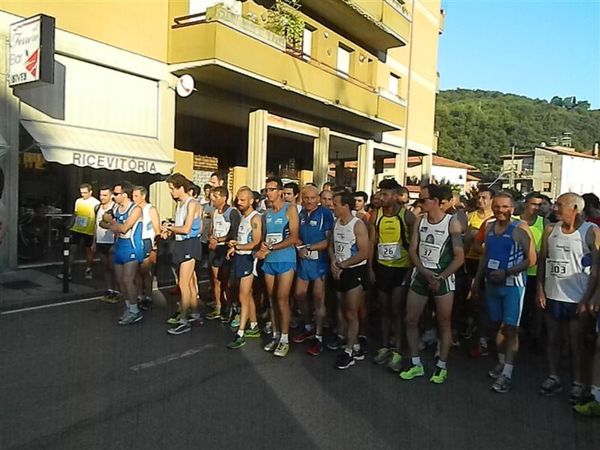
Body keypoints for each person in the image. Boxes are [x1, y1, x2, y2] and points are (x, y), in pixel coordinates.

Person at [537, 193, 599, 402]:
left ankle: (579, 382)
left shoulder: (590, 231)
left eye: (559, 205)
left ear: (575, 208)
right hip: (553, 295)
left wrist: (588, 298)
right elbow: (542, 261)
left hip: (576, 297)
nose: (555, 208)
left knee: (576, 343)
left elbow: (596, 270)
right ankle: (553, 376)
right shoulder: (549, 230)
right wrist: (540, 289)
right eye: (555, 204)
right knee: (553, 339)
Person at [471, 193, 535, 393]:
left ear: (512, 208)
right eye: (497, 206)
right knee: (494, 325)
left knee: (511, 328)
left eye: (505, 207)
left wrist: (507, 272)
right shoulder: (489, 228)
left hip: (513, 285)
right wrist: (477, 280)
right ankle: (501, 362)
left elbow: (532, 259)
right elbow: (485, 256)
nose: (501, 210)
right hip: (491, 285)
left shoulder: (520, 229)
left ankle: (508, 372)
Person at [400, 184, 464, 384]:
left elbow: (459, 257)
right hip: (421, 275)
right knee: (410, 319)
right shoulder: (420, 221)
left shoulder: (451, 223)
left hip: (443, 278)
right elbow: (413, 251)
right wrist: (424, 272)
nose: (419, 203)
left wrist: (440, 277)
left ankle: (441, 366)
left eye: (423, 199)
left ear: (436, 201)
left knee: (443, 323)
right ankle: (416, 364)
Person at [369, 179, 413, 372]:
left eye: (385, 194)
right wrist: (370, 268)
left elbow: (414, 245)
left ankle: (398, 351)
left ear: (396, 196)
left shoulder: (407, 216)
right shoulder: (375, 216)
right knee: (384, 310)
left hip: (401, 269)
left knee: (397, 310)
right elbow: (372, 243)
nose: (381, 197)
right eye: (380, 193)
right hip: (382, 268)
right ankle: (385, 346)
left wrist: (411, 270)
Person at [258, 177, 299, 357]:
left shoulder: (290, 209)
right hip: (269, 261)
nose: (269, 193)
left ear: (280, 191)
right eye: (266, 190)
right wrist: (262, 249)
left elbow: (294, 237)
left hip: (286, 259)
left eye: (272, 189)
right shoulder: (266, 214)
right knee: (272, 299)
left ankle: (284, 338)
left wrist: (272, 247)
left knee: (282, 299)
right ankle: (275, 335)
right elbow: (264, 238)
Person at [329, 191, 369, 369]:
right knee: (344, 308)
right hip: (339, 271)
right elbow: (331, 246)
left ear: (345, 206)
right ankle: (354, 345)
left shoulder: (358, 225)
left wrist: (343, 264)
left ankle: (349, 351)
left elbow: (363, 252)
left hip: (354, 271)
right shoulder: (336, 222)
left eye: (335, 204)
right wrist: (333, 262)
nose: (332, 207)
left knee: (352, 311)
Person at [292, 184, 334, 356]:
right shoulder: (301, 213)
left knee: (318, 299)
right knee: (299, 295)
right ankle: (308, 326)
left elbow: (327, 242)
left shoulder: (325, 214)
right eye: (306, 198)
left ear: (318, 198)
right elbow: (298, 236)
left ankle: (319, 336)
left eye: (312, 198)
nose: (309, 201)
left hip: (319, 263)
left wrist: (308, 248)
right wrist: (298, 244)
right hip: (303, 262)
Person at [162, 173, 203, 334]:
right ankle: (194, 313)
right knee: (190, 282)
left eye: (172, 189)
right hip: (181, 243)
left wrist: (169, 227)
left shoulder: (191, 203)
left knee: (184, 283)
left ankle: (184, 319)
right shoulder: (180, 204)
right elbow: (180, 227)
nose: (171, 192)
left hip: (189, 244)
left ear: (180, 187)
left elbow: (186, 228)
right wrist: (170, 228)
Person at [226, 187, 262, 349]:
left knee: (243, 295)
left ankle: (240, 332)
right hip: (240, 257)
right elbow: (243, 238)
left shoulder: (255, 218)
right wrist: (234, 248)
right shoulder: (243, 216)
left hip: (249, 259)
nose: (239, 202)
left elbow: (255, 241)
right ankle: (253, 325)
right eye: (238, 199)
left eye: (243, 200)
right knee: (247, 295)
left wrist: (238, 246)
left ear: (252, 200)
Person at [108, 181, 144, 325]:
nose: (113, 197)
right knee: (120, 281)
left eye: (116, 194)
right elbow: (103, 222)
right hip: (119, 246)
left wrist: (111, 223)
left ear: (124, 195)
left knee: (128, 280)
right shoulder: (116, 208)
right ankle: (129, 308)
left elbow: (124, 228)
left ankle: (135, 311)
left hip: (132, 246)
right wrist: (112, 224)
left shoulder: (135, 209)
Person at [465, 188, 494, 356]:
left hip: (488, 264)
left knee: (484, 300)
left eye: (484, 198)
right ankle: (472, 325)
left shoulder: (494, 220)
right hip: (471, 260)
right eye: (479, 197)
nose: (480, 200)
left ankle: (483, 334)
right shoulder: (471, 216)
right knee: (472, 297)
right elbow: (466, 239)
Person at [206, 186, 241, 322]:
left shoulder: (232, 212)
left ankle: (230, 307)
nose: (212, 199)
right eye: (212, 197)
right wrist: (211, 239)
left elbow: (234, 232)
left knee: (227, 281)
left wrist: (219, 240)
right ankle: (218, 306)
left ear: (224, 198)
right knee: (216, 280)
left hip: (225, 249)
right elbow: (212, 229)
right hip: (215, 249)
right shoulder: (215, 212)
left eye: (215, 197)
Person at [517, 192, 547, 348]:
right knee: (517, 309)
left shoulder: (544, 223)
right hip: (515, 273)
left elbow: (545, 252)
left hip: (534, 273)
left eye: (539, 205)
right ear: (525, 203)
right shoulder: (514, 221)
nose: (536, 208)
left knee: (534, 308)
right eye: (533, 204)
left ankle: (533, 338)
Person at [132, 186, 160, 311]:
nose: (134, 198)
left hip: (147, 242)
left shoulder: (150, 209)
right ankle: (139, 295)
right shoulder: (133, 209)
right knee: (137, 271)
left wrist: (155, 248)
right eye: (133, 196)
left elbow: (156, 229)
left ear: (143, 196)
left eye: (136, 196)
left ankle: (148, 296)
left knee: (146, 271)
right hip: (135, 242)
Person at [66, 183, 100, 280]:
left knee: (88, 252)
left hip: (88, 231)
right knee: (72, 249)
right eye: (82, 193)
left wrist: (95, 233)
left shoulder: (95, 203)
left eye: (85, 193)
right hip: (76, 229)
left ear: (90, 192)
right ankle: (68, 270)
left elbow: (97, 218)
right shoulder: (78, 201)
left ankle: (89, 269)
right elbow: (75, 214)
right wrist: (70, 225)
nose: (83, 195)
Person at [93, 185, 118, 303]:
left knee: (114, 268)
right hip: (100, 241)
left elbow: (119, 225)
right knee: (106, 268)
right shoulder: (97, 207)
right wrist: (94, 242)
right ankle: (109, 289)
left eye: (105, 195)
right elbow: (95, 225)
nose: (102, 197)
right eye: (101, 195)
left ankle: (117, 291)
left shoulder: (115, 208)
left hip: (112, 241)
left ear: (111, 195)